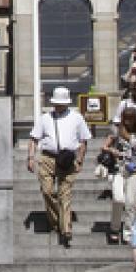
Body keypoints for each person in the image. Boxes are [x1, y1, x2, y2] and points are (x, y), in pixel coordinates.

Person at [27, 83, 90, 246]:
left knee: (65, 195)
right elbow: (34, 138)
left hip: (68, 159)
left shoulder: (76, 117)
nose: (59, 106)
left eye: (61, 103)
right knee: (47, 191)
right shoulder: (45, 118)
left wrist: (80, 159)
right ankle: (57, 221)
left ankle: (66, 229)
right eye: (57, 103)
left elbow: (84, 140)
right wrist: (30, 157)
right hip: (48, 158)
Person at [98, 105, 136, 244]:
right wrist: (112, 150)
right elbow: (104, 146)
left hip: (134, 171)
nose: (128, 122)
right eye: (126, 119)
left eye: (131, 119)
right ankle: (114, 228)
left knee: (131, 202)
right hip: (118, 169)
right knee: (118, 198)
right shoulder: (116, 131)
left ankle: (128, 231)